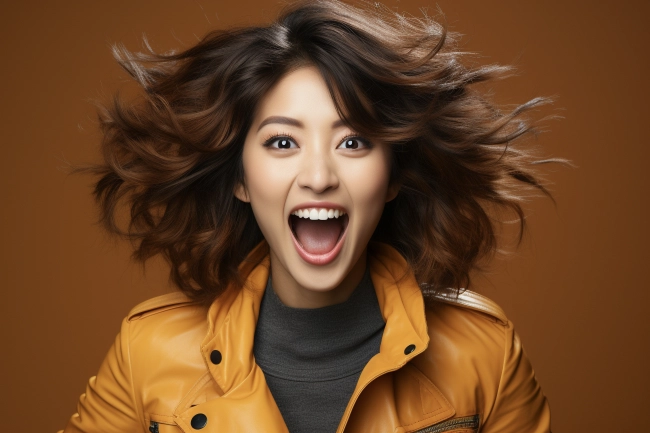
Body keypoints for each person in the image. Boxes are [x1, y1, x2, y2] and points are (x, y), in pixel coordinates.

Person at [61, 0, 554, 432]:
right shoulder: (147, 351)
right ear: (241, 180)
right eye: (282, 142)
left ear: (393, 176)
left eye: (353, 142)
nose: (319, 175)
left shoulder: (485, 354)